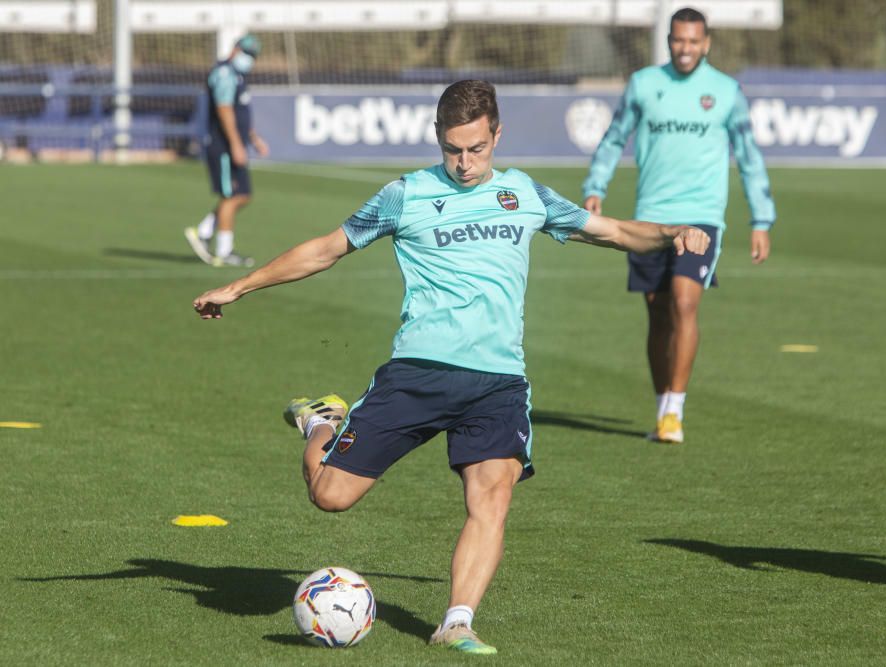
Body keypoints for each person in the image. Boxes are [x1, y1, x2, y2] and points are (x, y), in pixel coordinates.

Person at [192, 80, 709, 655]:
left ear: (497, 135)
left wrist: (671, 232)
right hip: (418, 372)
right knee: (330, 495)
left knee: (491, 498)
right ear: (438, 138)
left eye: (477, 149)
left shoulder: (525, 195)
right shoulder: (404, 195)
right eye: (453, 150)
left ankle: (457, 621)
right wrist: (241, 286)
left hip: (497, 382)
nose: (464, 163)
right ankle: (320, 423)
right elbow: (325, 249)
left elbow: (612, 232)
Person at [582, 7, 776, 444]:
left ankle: (675, 410)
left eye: (693, 41)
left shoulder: (726, 91)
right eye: (678, 40)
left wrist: (761, 219)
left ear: (706, 43)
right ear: (668, 40)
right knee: (657, 313)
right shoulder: (645, 85)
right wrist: (596, 186)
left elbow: (748, 155)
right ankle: (660, 406)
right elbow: (615, 137)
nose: (685, 49)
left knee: (685, 304)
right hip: (650, 217)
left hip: (702, 216)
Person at [185, 34, 269, 268]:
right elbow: (224, 110)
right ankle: (224, 250)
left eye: (253, 55)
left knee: (242, 195)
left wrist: (253, 138)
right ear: (235, 49)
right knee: (232, 196)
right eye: (247, 53)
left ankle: (203, 232)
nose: (249, 59)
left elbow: (239, 113)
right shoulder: (224, 74)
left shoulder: (238, 75)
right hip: (223, 146)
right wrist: (235, 144)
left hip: (234, 143)